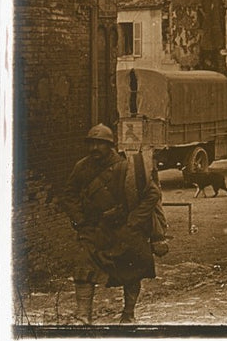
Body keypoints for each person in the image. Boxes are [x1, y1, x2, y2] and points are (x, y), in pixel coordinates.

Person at [59, 124, 167, 324]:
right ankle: (83, 317)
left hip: (123, 228)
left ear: (110, 146)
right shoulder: (82, 167)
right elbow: (69, 196)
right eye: (91, 144)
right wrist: (79, 220)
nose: (94, 149)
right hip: (92, 229)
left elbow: (152, 194)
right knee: (83, 268)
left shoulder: (126, 167)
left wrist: (135, 220)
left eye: (100, 144)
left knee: (133, 270)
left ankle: (128, 314)